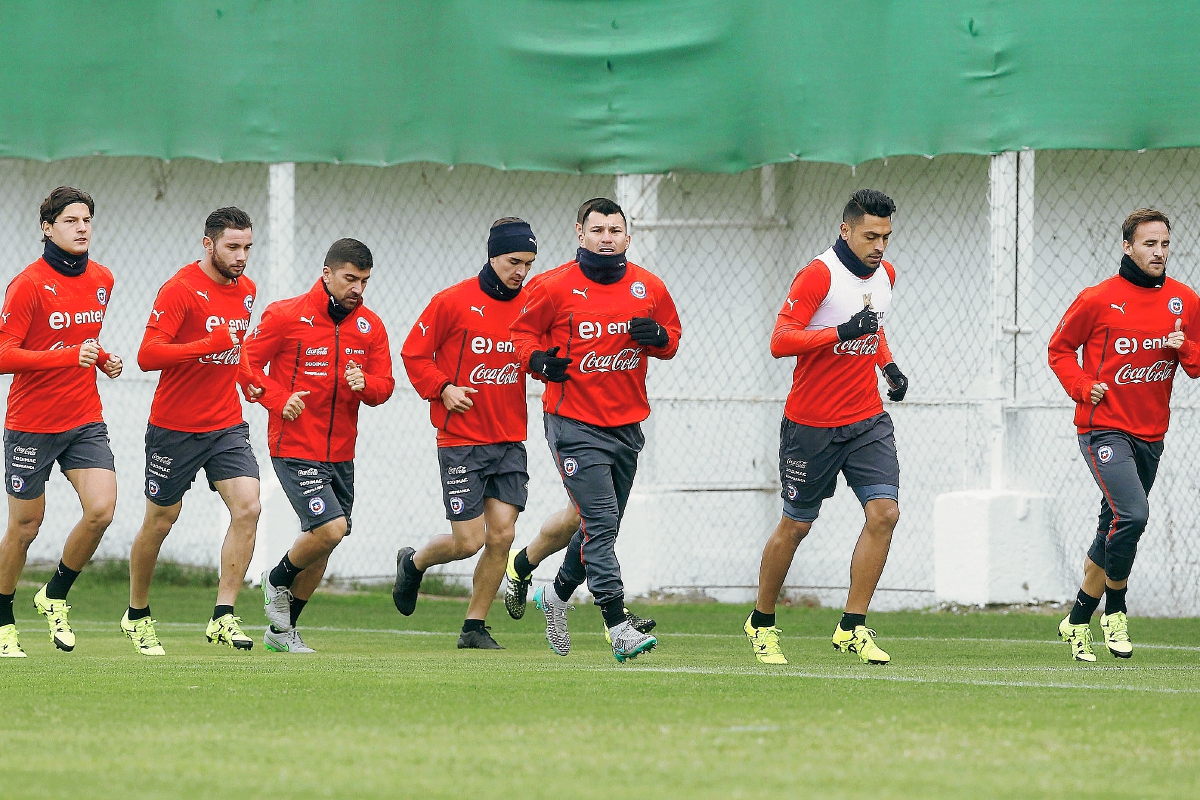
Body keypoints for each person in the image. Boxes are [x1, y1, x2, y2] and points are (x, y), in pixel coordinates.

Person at [510, 197, 681, 662]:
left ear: (628, 236)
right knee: (601, 522)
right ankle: (616, 622)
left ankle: (557, 594)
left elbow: (672, 337)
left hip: (626, 424)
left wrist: (660, 339)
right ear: (579, 233)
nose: (607, 238)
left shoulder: (649, 287)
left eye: (615, 230)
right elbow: (519, 336)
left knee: (599, 528)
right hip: (572, 424)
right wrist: (538, 361)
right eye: (598, 230)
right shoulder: (551, 286)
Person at [744, 188, 908, 667]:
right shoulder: (819, 274)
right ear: (846, 230)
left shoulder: (886, 276)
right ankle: (761, 622)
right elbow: (781, 340)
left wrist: (889, 366)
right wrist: (840, 333)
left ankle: (851, 627)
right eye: (870, 235)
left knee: (885, 514)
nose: (879, 246)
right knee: (796, 525)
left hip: (866, 420)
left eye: (886, 237)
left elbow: (872, 330)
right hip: (811, 425)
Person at [1048, 208, 1200, 662]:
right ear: (1127, 246)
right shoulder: (1097, 299)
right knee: (1132, 515)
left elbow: (1196, 363)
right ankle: (1115, 611)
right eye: (1149, 244)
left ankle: (1077, 621)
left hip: (1151, 434)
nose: (1158, 252)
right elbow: (1059, 350)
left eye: (1165, 244)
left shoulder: (1184, 301)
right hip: (1103, 429)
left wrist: (1184, 347)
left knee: (1111, 526)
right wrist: (1080, 387)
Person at [121, 207, 261, 656]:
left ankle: (224, 615)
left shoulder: (247, 291)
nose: (241, 257)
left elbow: (231, 354)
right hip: (174, 428)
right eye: (233, 247)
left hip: (225, 424)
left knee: (249, 506)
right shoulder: (180, 289)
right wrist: (206, 344)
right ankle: (137, 614)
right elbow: (147, 355)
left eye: (247, 248)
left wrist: (247, 380)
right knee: (161, 520)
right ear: (209, 244)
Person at [393, 218, 538, 649]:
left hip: (510, 438)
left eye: (528, 263)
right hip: (461, 441)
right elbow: (413, 354)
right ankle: (414, 564)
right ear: (492, 254)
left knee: (503, 536)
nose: (521, 271)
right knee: (468, 540)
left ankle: (474, 626)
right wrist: (443, 387)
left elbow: (543, 355)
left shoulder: (532, 305)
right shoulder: (452, 302)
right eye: (514, 261)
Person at [245, 238, 393, 653]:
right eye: (350, 279)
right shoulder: (286, 315)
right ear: (327, 274)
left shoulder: (370, 326)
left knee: (327, 541)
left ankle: (281, 633)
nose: (358, 289)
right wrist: (277, 399)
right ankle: (275, 579)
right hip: (294, 445)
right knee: (330, 528)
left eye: (364, 281)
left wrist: (368, 387)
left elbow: (386, 385)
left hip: (342, 452)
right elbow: (247, 365)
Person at [0, 187, 121, 658]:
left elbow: (81, 339)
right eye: (71, 220)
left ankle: (53, 595)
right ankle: (4, 617)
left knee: (102, 510)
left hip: (84, 419)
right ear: (47, 228)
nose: (82, 227)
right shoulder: (28, 284)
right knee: (26, 526)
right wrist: (73, 356)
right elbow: (5, 355)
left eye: (87, 219)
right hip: (31, 422)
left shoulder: (103, 278)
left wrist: (104, 359)